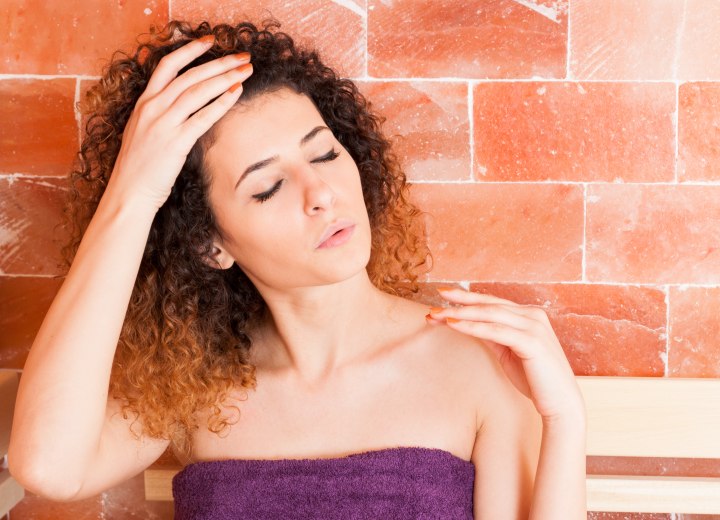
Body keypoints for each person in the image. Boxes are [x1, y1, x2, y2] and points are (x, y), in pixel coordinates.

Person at [8, 18, 586, 519]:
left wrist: (564, 420)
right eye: (267, 187)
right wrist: (133, 194)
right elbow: (50, 467)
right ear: (211, 245)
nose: (321, 193)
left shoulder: (481, 363)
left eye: (325, 152)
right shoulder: (198, 386)